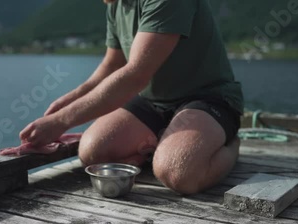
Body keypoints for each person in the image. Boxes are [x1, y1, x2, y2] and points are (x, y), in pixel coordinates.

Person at [19, 0, 244, 195]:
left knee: (179, 173)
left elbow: (136, 74)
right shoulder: (115, 3)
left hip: (207, 98)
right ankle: (161, 143)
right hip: (152, 100)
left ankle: (230, 143)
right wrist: (69, 101)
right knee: (93, 152)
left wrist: (61, 121)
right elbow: (113, 65)